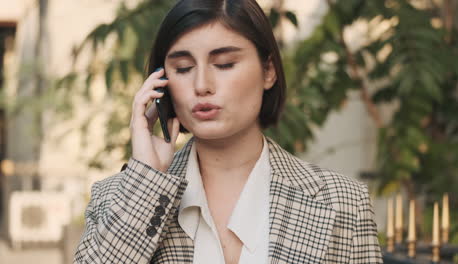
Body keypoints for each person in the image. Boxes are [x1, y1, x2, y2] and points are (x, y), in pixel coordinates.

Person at [73, 0, 383, 263]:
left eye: (224, 64)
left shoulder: (343, 202)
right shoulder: (117, 198)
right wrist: (148, 180)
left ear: (268, 71)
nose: (202, 86)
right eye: (182, 69)